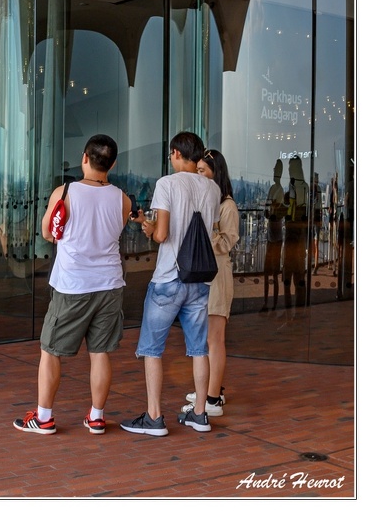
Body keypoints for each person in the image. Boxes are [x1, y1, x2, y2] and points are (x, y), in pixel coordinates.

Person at [13, 134, 131, 435]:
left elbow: (48, 233)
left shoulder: (64, 193)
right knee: (100, 352)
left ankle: (44, 418)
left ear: (84, 158)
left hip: (72, 285)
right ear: (113, 164)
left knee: (50, 350)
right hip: (110, 284)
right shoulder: (123, 199)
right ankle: (96, 417)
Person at [120, 131, 220, 436]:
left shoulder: (167, 184)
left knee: (152, 348)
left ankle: (154, 417)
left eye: (170, 154)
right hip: (199, 278)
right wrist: (151, 227)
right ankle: (200, 414)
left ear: (176, 153)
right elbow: (198, 230)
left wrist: (149, 231)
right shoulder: (213, 189)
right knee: (199, 348)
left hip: (168, 278)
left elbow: (163, 235)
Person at [181, 149, 239, 417]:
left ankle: (213, 397)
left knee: (215, 338)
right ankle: (211, 389)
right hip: (208, 275)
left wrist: (205, 232)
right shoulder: (211, 202)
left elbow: (227, 242)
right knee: (206, 337)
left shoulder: (227, 206)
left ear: (216, 173)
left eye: (203, 171)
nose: (199, 175)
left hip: (218, 275)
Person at [283, 156, 308, 309]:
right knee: (295, 276)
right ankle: (296, 311)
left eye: (291, 167)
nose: (290, 170)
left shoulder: (299, 189)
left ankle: (296, 310)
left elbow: (298, 213)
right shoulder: (297, 188)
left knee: (294, 276)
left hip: (296, 238)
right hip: (295, 237)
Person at [261, 160, 286, 312]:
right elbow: (270, 209)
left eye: (276, 169)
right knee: (267, 272)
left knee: (274, 273)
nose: (274, 171)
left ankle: (274, 304)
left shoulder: (280, 190)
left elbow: (277, 213)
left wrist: (271, 214)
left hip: (275, 237)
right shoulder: (273, 189)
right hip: (271, 236)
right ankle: (266, 302)